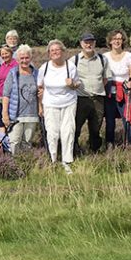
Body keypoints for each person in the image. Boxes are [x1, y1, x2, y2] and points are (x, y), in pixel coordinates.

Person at [38, 40, 79, 174]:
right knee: (52, 132)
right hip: (50, 104)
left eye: (58, 50)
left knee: (68, 132)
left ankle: (66, 161)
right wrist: (40, 106)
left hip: (69, 103)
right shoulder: (44, 68)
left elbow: (77, 84)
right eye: (52, 50)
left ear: (63, 51)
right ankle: (53, 160)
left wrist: (72, 84)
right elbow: (40, 88)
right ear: (49, 54)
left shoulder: (70, 66)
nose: (55, 52)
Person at [70, 32, 109, 155]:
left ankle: (94, 151)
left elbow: (105, 79)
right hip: (80, 99)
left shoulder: (103, 59)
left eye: (91, 42)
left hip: (98, 99)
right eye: (86, 42)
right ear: (81, 44)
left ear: (95, 43)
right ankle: (74, 150)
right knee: (76, 127)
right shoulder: (74, 60)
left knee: (96, 128)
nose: (89, 44)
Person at [103, 29, 131, 147]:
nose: (117, 41)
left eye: (119, 39)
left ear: (123, 40)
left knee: (128, 119)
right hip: (109, 92)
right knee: (109, 121)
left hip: (124, 92)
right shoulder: (104, 57)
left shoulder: (129, 56)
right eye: (114, 39)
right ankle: (109, 144)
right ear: (110, 41)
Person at [1, 45, 40, 154]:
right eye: (21, 58)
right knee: (14, 141)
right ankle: (14, 163)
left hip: (32, 114)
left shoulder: (36, 73)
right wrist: (5, 113)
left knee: (27, 141)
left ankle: (25, 162)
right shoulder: (13, 73)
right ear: (17, 59)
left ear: (31, 58)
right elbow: (6, 94)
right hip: (16, 115)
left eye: (27, 58)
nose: (24, 60)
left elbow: (40, 93)